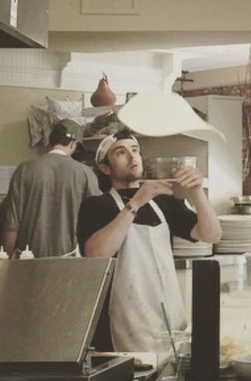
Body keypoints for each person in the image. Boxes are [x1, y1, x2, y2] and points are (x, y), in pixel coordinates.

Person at [76, 130, 222, 352]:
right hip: (124, 325)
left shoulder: (163, 202)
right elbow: (96, 253)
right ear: (105, 168)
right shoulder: (96, 205)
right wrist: (135, 202)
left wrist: (197, 192)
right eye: (121, 152)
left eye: (135, 151)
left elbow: (212, 235)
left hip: (169, 321)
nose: (132, 156)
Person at [2, 119, 100, 257]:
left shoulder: (24, 170)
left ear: (51, 140)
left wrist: (6, 259)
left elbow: (12, 224)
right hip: (69, 260)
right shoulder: (86, 173)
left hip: (28, 260)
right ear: (74, 144)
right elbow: (95, 223)